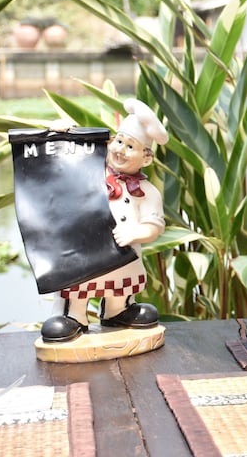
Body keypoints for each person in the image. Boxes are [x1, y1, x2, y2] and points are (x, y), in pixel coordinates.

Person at [41, 99, 168, 343]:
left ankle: (117, 311)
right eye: (119, 141)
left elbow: (154, 225)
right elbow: (64, 163)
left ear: (146, 158)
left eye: (130, 146)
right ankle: (74, 316)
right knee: (80, 286)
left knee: (120, 286)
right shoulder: (91, 171)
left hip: (123, 255)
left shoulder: (148, 191)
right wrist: (61, 135)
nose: (120, 150)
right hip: (85, 251)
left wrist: (135, 233)